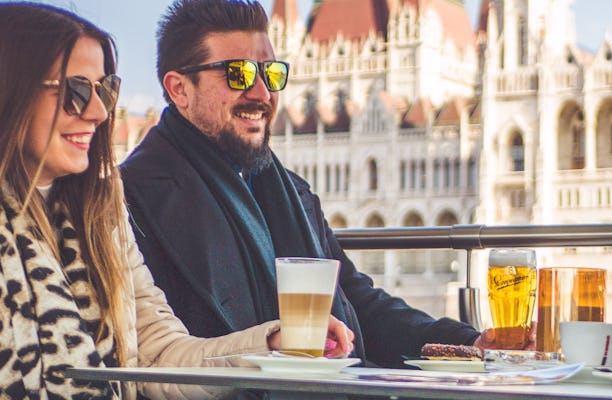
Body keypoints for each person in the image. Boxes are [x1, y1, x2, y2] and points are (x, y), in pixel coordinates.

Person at [120, 0, 518, 369]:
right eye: (238, 74)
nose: (263, 93)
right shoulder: (133, 198)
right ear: (179, 89)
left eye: (272, 74)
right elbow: (164, 356)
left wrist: (467, 342)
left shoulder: (290, 191)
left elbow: (356, 301)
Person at [0, 3, 351, 399]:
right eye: (75, 91)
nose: (98, 112)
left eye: (105, 90)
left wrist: (272, 346)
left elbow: (159, 356)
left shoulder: (102, 213)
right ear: (7, 90)